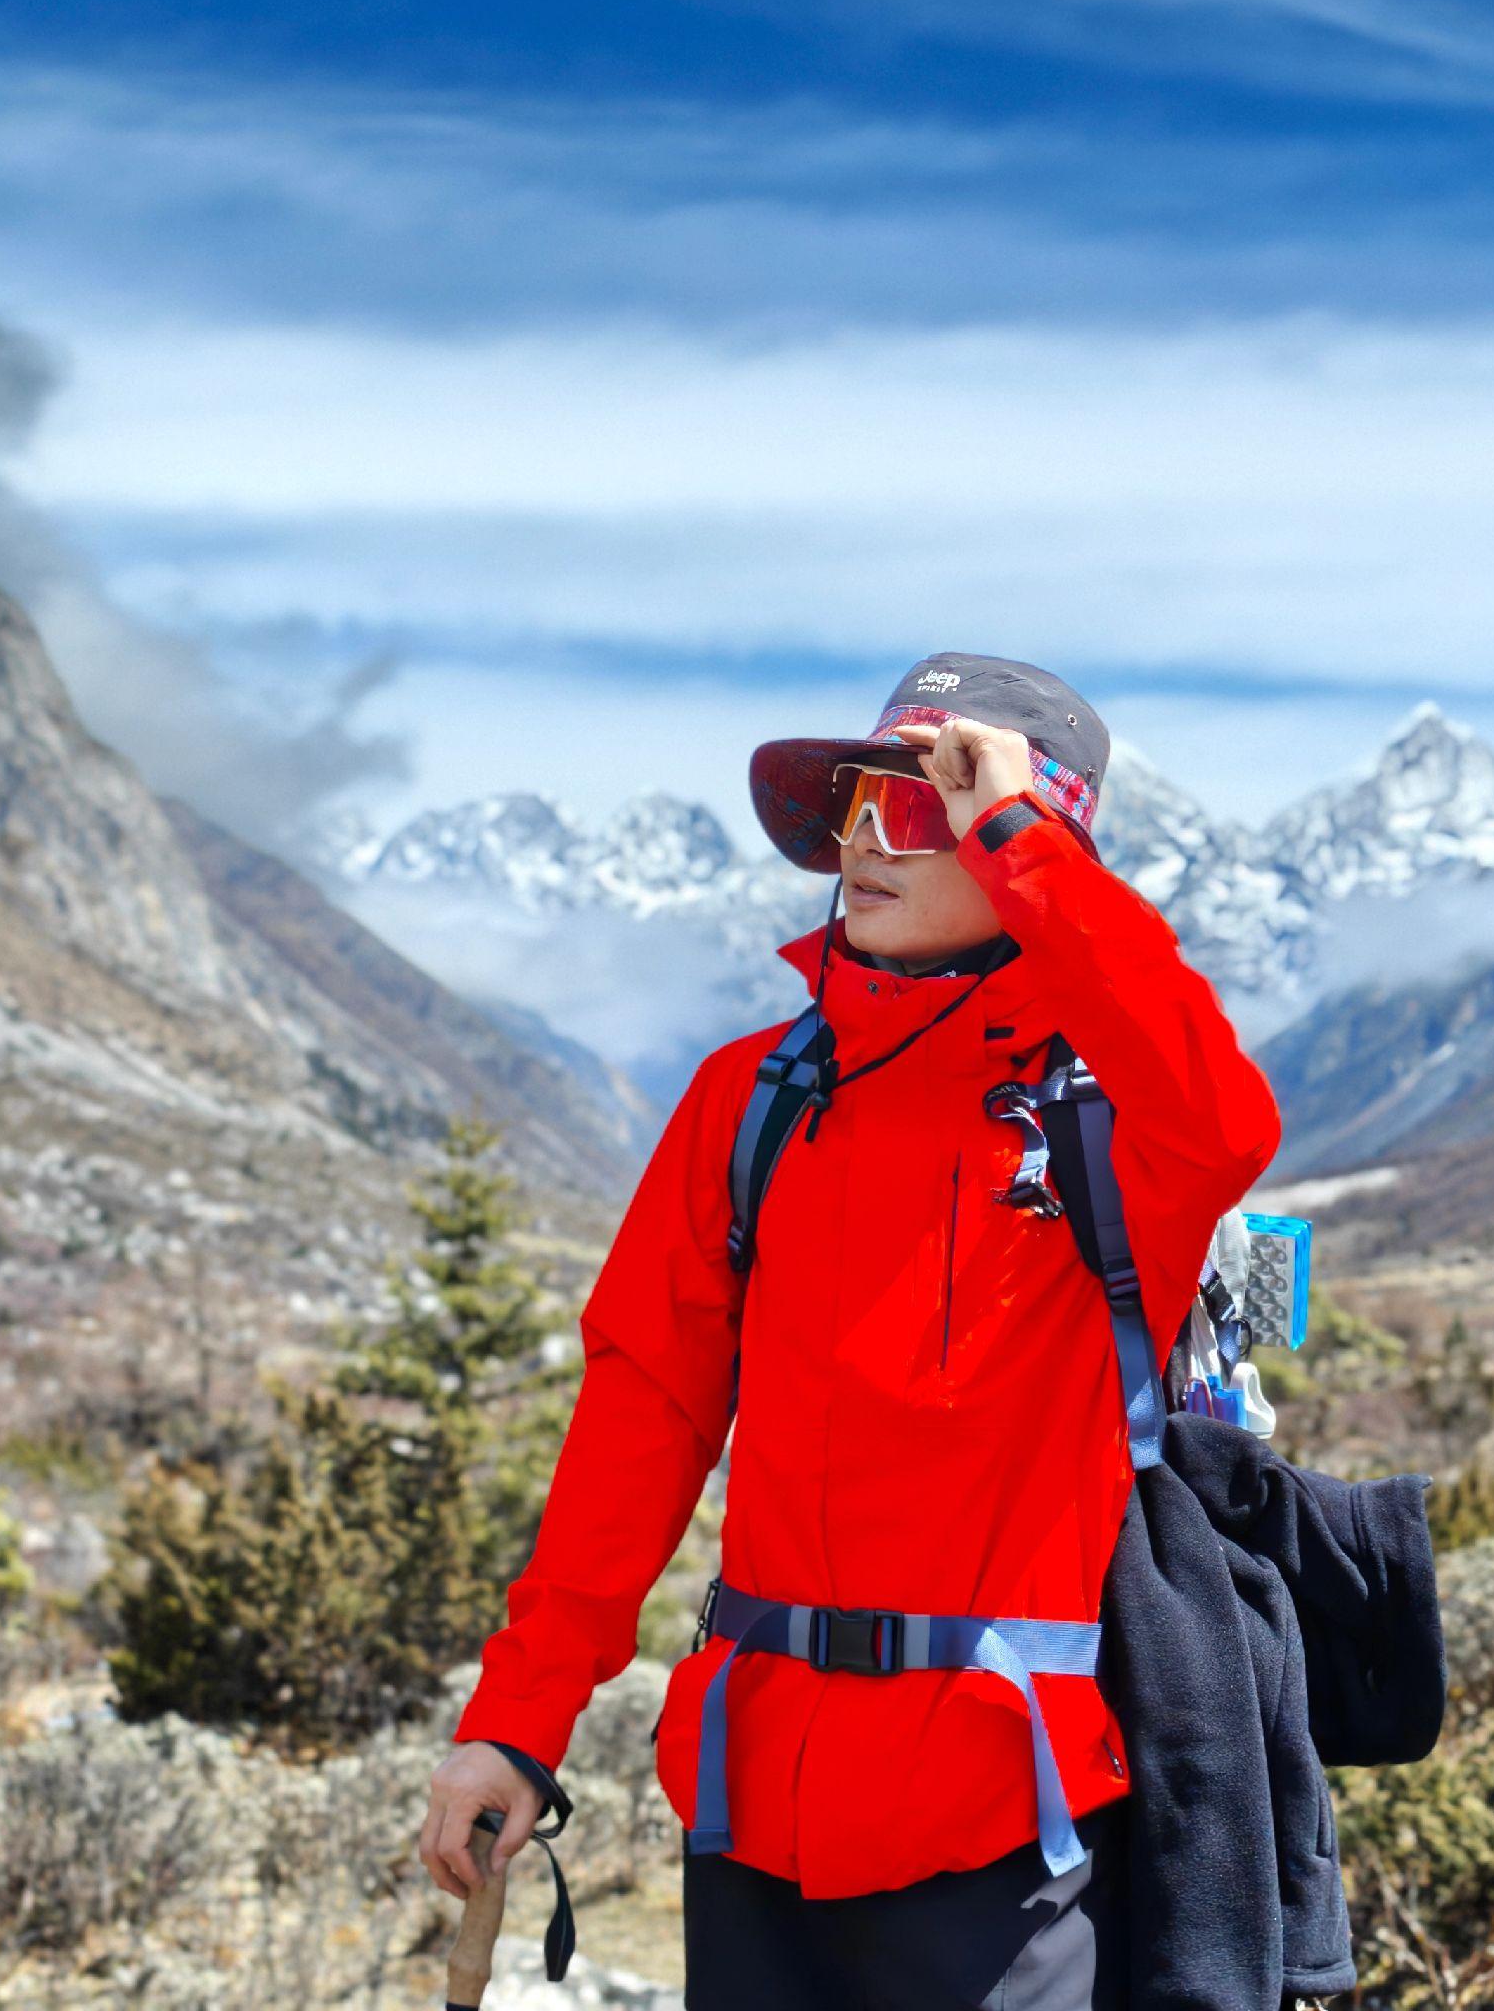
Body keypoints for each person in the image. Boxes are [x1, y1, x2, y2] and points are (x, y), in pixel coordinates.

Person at [418, 653, 1282, 2010]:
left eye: (929, 807)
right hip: (750, 1807)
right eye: (859, 801)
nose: (870, 838)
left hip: (1010, 1820)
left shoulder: (1113, 1116)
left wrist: (1020, 842)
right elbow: (641, 1425)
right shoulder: (743, 1100)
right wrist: (516, 1728)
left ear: (1026, 841)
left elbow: (1231, 1117)